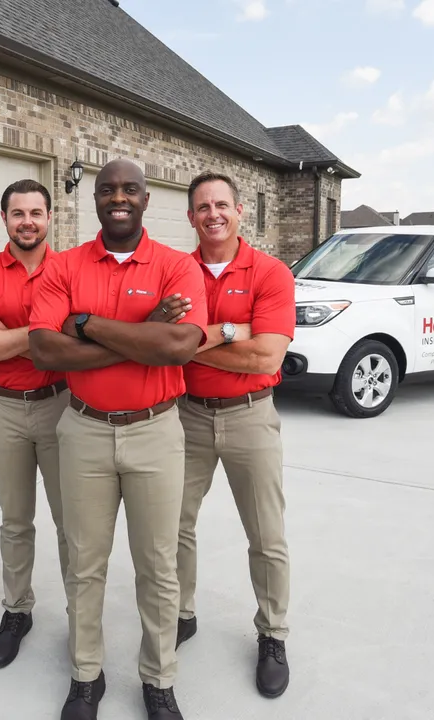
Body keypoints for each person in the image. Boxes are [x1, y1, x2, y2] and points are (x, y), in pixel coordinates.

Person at [29, 158, 207, 720]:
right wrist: (145, 329)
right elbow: (43, 351)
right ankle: (86, 675)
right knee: (85, 561)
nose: (119, 198)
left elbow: (178, 348)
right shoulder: (64, 266)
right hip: (83, 429)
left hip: (156, 430)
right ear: (96, 200)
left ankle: (158, 680)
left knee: (157, 564)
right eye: (108, 190)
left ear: (147, 199)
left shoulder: (178, 266)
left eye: (130, 189)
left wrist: (85, 324)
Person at [173, 173, 296, 699]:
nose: (213, 214)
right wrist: (232, 330)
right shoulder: (176, 272)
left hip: (251, 414)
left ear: (240, 211)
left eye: (222, 205)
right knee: (172, 525)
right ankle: (179, 613)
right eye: (203, 207)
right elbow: (166, 345)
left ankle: (273, 634)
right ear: (191, 216)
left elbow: (267, 355)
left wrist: (195, 340)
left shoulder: (270, 272)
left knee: (266, 535)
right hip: (186, 415)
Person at [0, 179, 71, 669]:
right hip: (2, 407)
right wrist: (41, 335)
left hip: (61, 406)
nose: (28, 221)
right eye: (17, 213)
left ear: (49, 218)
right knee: (15, 521)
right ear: (4, 218)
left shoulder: (70, 272)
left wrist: (8, 334)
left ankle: (80, 618)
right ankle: (17, 610)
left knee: (73, 524)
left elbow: (73, 343)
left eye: (36, 212)